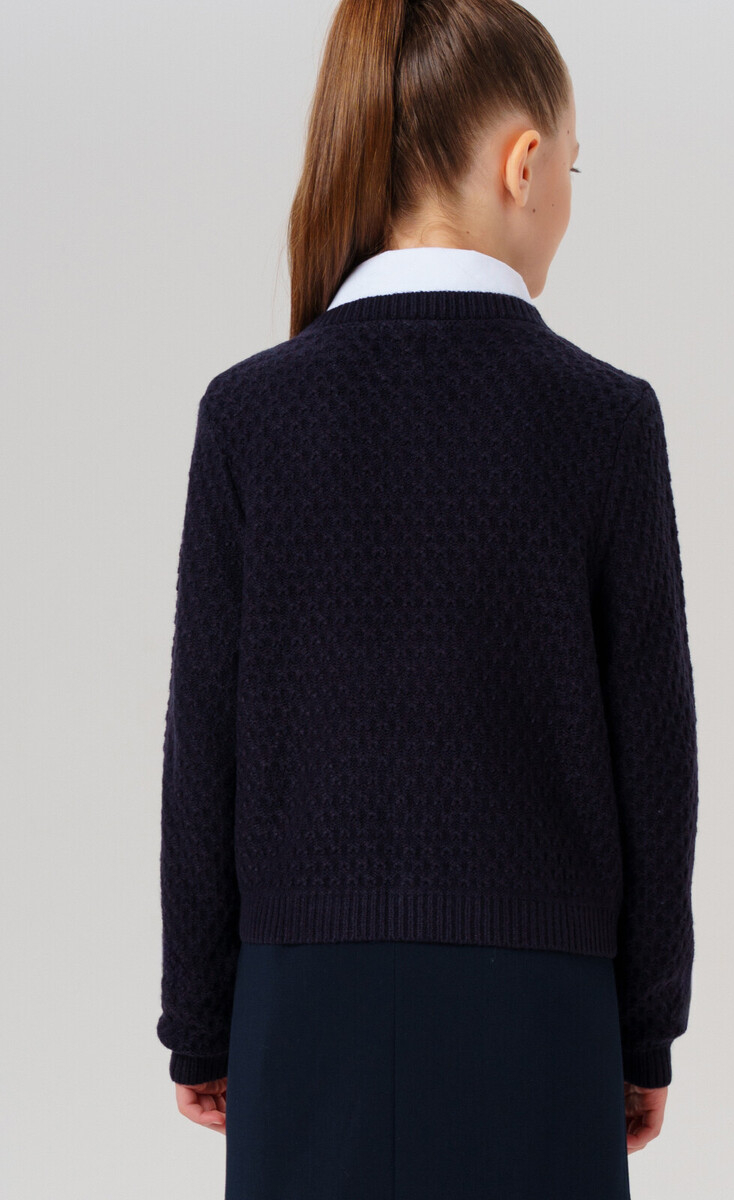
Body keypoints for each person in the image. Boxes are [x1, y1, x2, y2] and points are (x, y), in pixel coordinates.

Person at [155, 1, 700, 1196]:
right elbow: (655, 759)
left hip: (302, 1003)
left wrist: (199, 1015)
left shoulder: (249, 417)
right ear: (524, 162)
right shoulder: (606, 421)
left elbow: (206, 749)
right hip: (544, 1010)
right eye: (572, 168)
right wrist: (645, 1027)